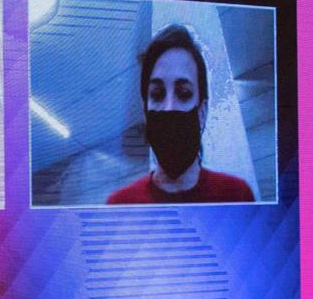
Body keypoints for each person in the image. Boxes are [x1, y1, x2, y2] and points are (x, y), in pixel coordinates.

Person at [106, 23, 255, 204]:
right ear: (145, 112)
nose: (169, 108)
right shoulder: (121, 203)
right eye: (157, 94)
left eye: (184, 94)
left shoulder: (236, 195)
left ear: (202, 112)